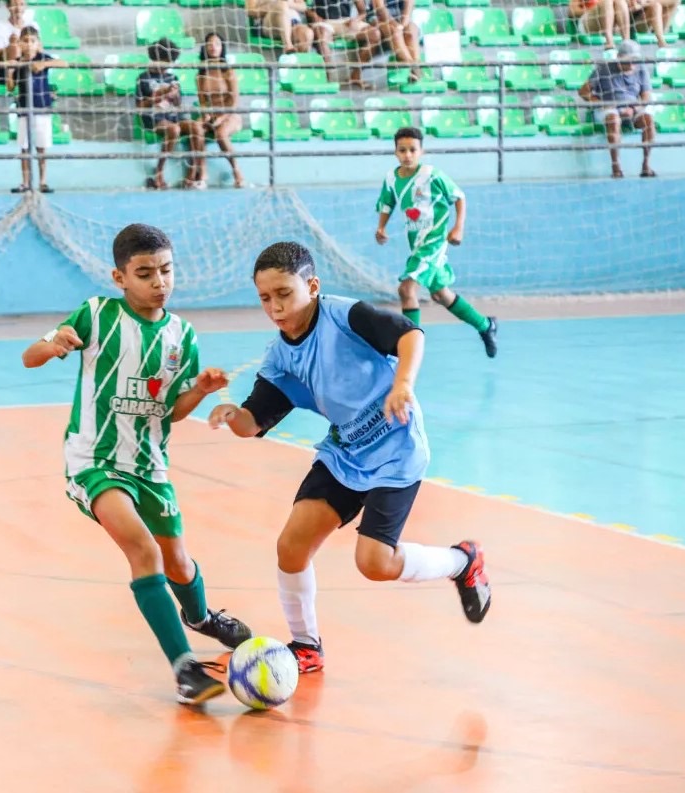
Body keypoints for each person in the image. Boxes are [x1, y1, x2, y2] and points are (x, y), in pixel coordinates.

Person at [208, 241, 492, 673]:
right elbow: (254, 422)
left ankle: (462, 562)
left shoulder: (346, 317)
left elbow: (411, 335)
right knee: (291, 546)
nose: (275, 307)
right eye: (265, 298)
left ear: (313, 286)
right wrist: (232, 415)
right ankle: (306, 645)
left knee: (374, 564)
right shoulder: (280, 358)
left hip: (396, 453)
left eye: (284, 293)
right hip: (346, 455)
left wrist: (403, 385)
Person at [20, 223, 254, 705]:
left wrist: (200, 390)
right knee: (144, 552)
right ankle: (185, 668)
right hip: (94, 460)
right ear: (119, 277)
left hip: (150, 463)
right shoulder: (96, 315)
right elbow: (30, 357)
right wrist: (55, 343)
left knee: (180, 564)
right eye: (145, 273)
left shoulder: (182, 335)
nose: (158, 281)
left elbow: (172, 411)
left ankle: (201, 616)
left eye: (166, 271)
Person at [376, 127, 498, 356]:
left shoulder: (432, 175)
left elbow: (459, 197)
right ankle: (486, 325)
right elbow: (387, 203)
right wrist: (381, 226)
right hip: (417, 244)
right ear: (395, 152)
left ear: (421, 151)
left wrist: (457, 228)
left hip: (434, 242)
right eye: (402, 150)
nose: (408, 155)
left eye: (413, 150)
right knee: (440, 294)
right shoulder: (392, 178)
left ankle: (409, 345)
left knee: (406, 289)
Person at [579, 39, 656, 179]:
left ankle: (646, 165)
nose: (633, 64)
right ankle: (616, 166)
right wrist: (601, 103)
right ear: (620, 58)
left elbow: (646, 96)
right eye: (629, 60)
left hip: (632, 108)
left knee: (648, 121)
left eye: (635, 60)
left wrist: (634, 109)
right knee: (613, 119)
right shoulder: (604, 69)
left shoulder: (641, 69)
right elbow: (583, 92)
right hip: (609, 108)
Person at [135, 38, 205, 190]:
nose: (168, 65)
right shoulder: (143, 78)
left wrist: (175, 94)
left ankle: (192, 174)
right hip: (154, 118)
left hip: (173, 116)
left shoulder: (173, 77)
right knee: (174, 129)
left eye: (170, 61)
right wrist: (160, 95)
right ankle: (159, 171)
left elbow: (178, 104)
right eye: (166, 61)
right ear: (156, 58)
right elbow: (140, 106)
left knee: (197, 127)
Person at [6, 26, 66, 194]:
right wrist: (10, 72)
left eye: (32, 41)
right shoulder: (18, 63)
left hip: (42, 109)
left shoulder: (42, 58)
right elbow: (10, 88)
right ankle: (25, 182)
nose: (29, 44)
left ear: (38, 43)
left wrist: (44, 63)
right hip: (24, 110)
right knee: (24, 148)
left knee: (41, 147)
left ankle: (42, 181)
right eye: (25, 41)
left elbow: (63, 63)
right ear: (19, 43)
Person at [194, 32, 244, 189]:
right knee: (196, 128)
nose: (213, 47)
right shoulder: (201, 74)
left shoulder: (228, 71)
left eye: (217, 44)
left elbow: (234, 101)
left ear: (222, 48)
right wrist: (207, 115)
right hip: (211, 115)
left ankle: (237, 172)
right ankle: (202, 173)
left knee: (220, 134)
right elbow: (202, 101)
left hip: (230, 114)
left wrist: (221, 118)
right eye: (209, 44)